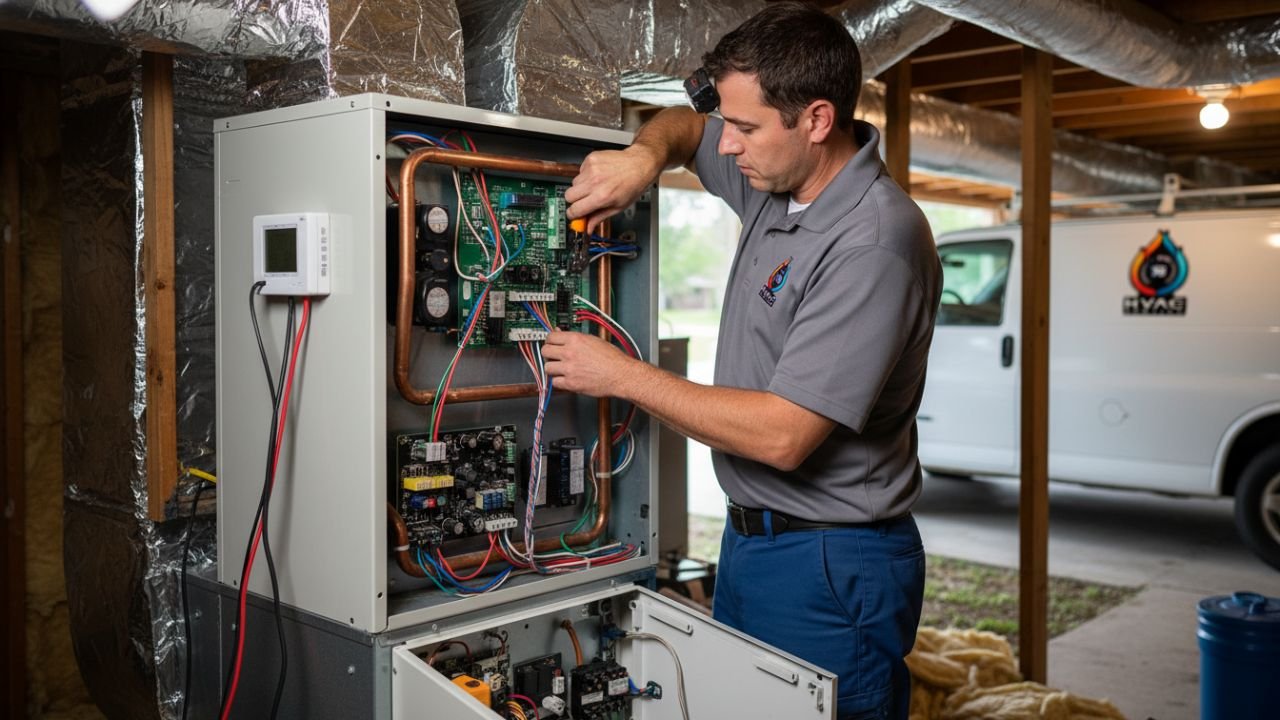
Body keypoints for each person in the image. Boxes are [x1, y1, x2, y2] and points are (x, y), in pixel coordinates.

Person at [542, 3, 941, 717]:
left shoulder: (875, 241)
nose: (729, 148)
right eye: (734, 125)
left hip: (830, 560)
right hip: (753, 543)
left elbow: (784, 435)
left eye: (748, 129)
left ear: (816, 120)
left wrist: (622, 375)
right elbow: (690, 126)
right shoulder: (778, 183)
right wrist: (644, 156)